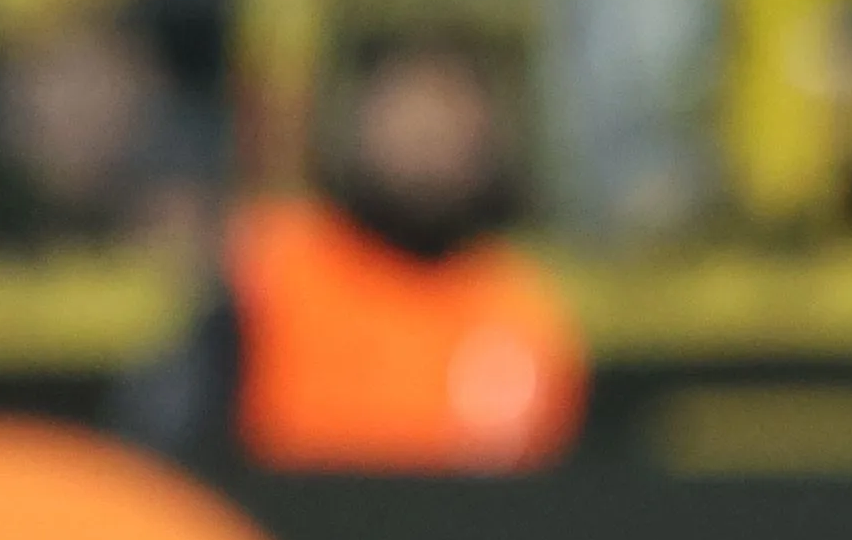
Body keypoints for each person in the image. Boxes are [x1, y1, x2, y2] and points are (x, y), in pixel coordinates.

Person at [114, 35, 582, 471]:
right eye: (407, 112)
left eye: (448, 115)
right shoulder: (269, 271)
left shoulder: (521, 310)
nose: (427, 138)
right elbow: (171, 435)